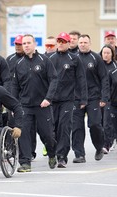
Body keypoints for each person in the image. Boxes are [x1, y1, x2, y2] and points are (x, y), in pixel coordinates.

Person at [12, 34, 58, 172]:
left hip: (42, 105)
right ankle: (25, 162)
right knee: (24, 134)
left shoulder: (44, 60)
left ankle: (52, 154)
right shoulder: (18, 64)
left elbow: (54, 80)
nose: (25, 45)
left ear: (34, 44)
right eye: (23, 43)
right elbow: (15, 86)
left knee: (48, 135)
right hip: (25, 106)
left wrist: (48, 99)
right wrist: (14, 106)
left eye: (28, 43)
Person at [49, 32, 87, 168]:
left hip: (68, 100)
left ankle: (62, 157)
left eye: (63, 41)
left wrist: (83, 99)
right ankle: (52, 153)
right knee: (52, 128)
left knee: (64, 127)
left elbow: (81, 79)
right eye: (58, 41)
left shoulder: (75, 59)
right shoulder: (51, 58)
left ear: (68, 42)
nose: (60, 43)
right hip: (52, 100)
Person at [72, 34, 110, 163]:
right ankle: (79, 154)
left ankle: (99, 147)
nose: (82, 44)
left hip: (93, 97)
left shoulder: (96, 58)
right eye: (80, 42)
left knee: (94, 124)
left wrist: (104, 97)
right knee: (77, 127)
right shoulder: (74, 58)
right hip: (76, 98)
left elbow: (104, 78)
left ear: (90, 43)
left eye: (85, 42)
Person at [100, 44, 117, 153]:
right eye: (104, 53)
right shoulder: (99, 66)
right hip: (100, 99)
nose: (105, 55)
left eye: (108, 53)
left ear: (112, 54)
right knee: (102, 123)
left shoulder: (115, 67)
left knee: (109, 123)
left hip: (112, 100)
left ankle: (106, 145)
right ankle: (106, 143)